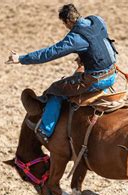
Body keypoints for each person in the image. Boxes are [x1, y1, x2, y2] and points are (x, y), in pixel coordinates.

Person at [7, 4, 118, 143]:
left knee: (55, 90)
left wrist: (21, 58)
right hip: (113, 74)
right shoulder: (97, 20)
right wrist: (86, 56)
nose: (66, 27)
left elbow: (49, 53)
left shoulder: (75, 38)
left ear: (68, 21)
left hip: (97, 79)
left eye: (64, 23)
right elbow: (101, 40)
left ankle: (45, 130)